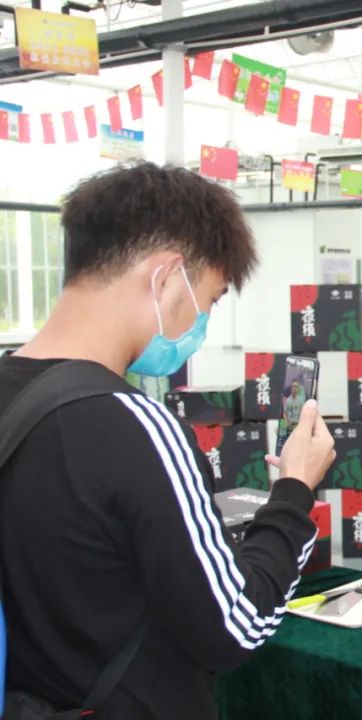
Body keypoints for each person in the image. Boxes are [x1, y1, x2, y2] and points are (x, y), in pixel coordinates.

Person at [0, 162, 336, 718]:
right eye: (211, 299)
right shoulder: (139, 427)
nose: (202, 322)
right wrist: (295, 490)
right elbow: (237, 625)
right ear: (166, 278)